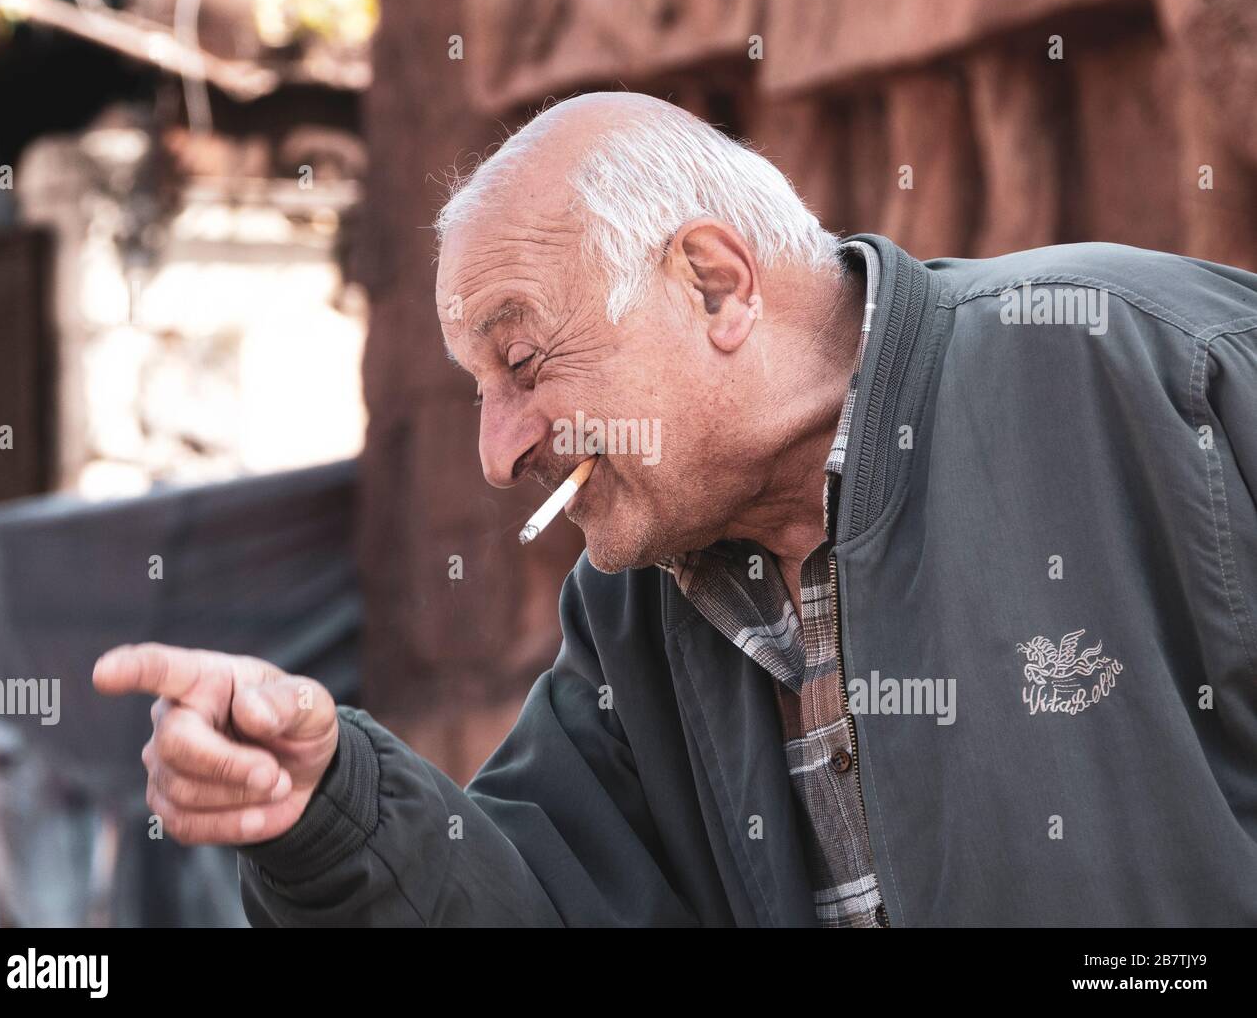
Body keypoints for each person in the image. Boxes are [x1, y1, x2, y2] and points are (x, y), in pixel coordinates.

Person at [93, 92, 1257, 926]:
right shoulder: (635, 613)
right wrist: (325, 807)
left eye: (525, 362)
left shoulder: (1154, 369)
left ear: (715, 284)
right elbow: (536, 900)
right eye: (478, 390)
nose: (498, 455)